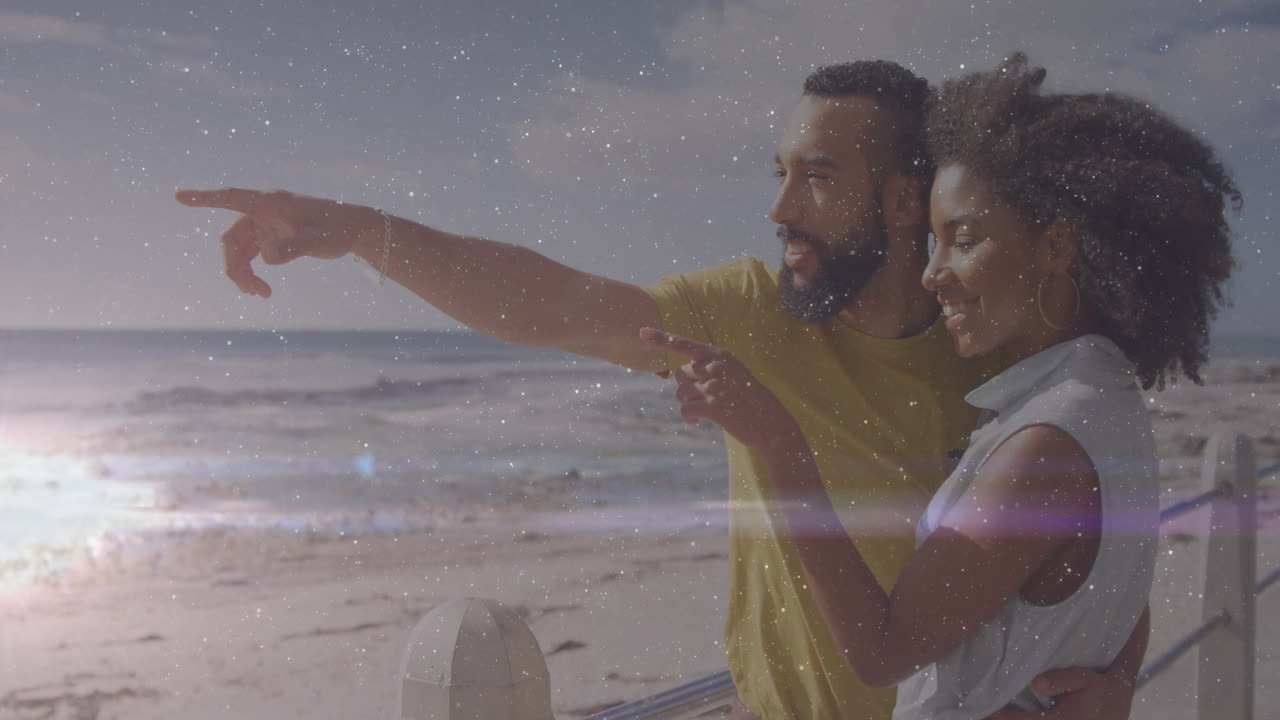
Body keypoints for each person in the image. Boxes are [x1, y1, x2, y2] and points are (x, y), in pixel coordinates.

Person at [175, 60, 1148, 720]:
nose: (777, 208)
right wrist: (355, 230)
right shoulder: (742, 312)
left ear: (903, 200)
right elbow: (548, 304)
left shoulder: (993, 350)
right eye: (778, 175)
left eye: (815, 177)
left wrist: (1118, 675)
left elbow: (1106, 534)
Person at [639, 54, 1239, 719]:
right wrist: (1118, 679)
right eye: (934, 241)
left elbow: (882, 651)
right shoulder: (1105, 401)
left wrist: (780, 445)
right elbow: (1117, 592)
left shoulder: (1045, 443)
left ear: (1057, 248)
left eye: (963, 238)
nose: (934, 273)